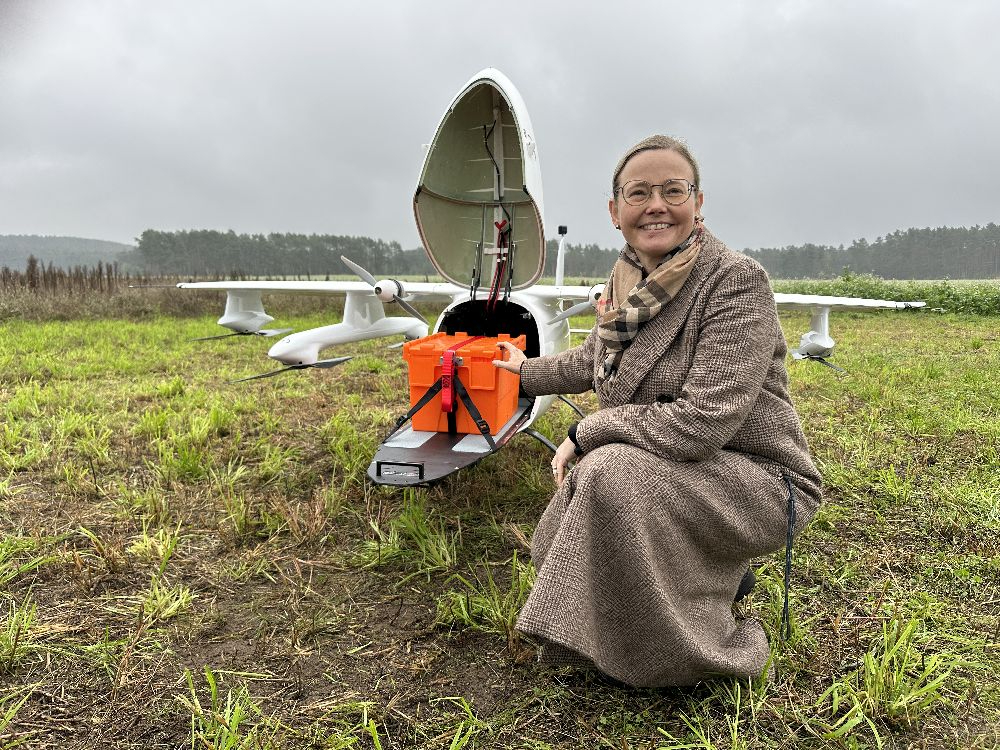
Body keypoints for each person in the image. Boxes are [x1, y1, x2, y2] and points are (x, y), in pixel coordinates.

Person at [492, 135, 822, 687]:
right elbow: (596, 361)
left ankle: (686, 658)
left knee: (610, 471)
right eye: (638, 193)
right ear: (614, 210)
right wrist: (522, 370)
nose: (656, 205)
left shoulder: (735, 281)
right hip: (684, 471)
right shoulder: (629, 281)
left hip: (761, 480)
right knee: (610, 474)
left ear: (698, 202)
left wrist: (587, 429)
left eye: (674, 190)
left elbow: (702, 423)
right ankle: (695, 581)